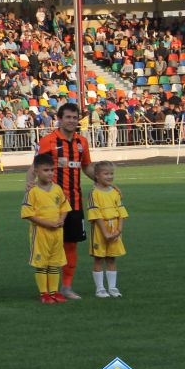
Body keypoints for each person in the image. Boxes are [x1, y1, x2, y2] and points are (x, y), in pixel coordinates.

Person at [29, 102, 95, 300]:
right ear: (59, 119)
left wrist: (104, 181)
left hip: (74, 203)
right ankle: (48, 290)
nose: (72, 121)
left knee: (71, 245)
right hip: (51, 206)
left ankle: (66, 287)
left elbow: (87, 167)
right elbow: (36, 165)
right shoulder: (49, 140)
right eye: (68, 117)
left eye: (75, 118)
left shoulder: (81, 142)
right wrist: (28, 184)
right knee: (50, 246)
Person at [21, 154, 71, 304]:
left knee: (55, 262)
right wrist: (45, 223)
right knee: (42, 263)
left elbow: (64, 207)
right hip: (41, 234)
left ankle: (54, 292)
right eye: (45, 170)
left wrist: (61, 219)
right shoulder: (32, 191)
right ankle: (44, 293)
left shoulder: (57, 189)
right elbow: (27, 214)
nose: (50, 173)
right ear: (36, 171)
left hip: (57, 233)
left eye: (52, 170)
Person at [87, 161, 127, 298]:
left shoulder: (115, 192)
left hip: (115, 229)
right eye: (106, 174)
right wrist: (105, 233)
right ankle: (100, 289)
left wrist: (119, 230)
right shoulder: (93, 193)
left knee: (111, 259)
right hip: (100, 230)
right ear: (97, 176)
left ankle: (113, 288)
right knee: (99, 258)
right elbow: (95, 214)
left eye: (111, 173)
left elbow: (121, 211)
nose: (110, 176)